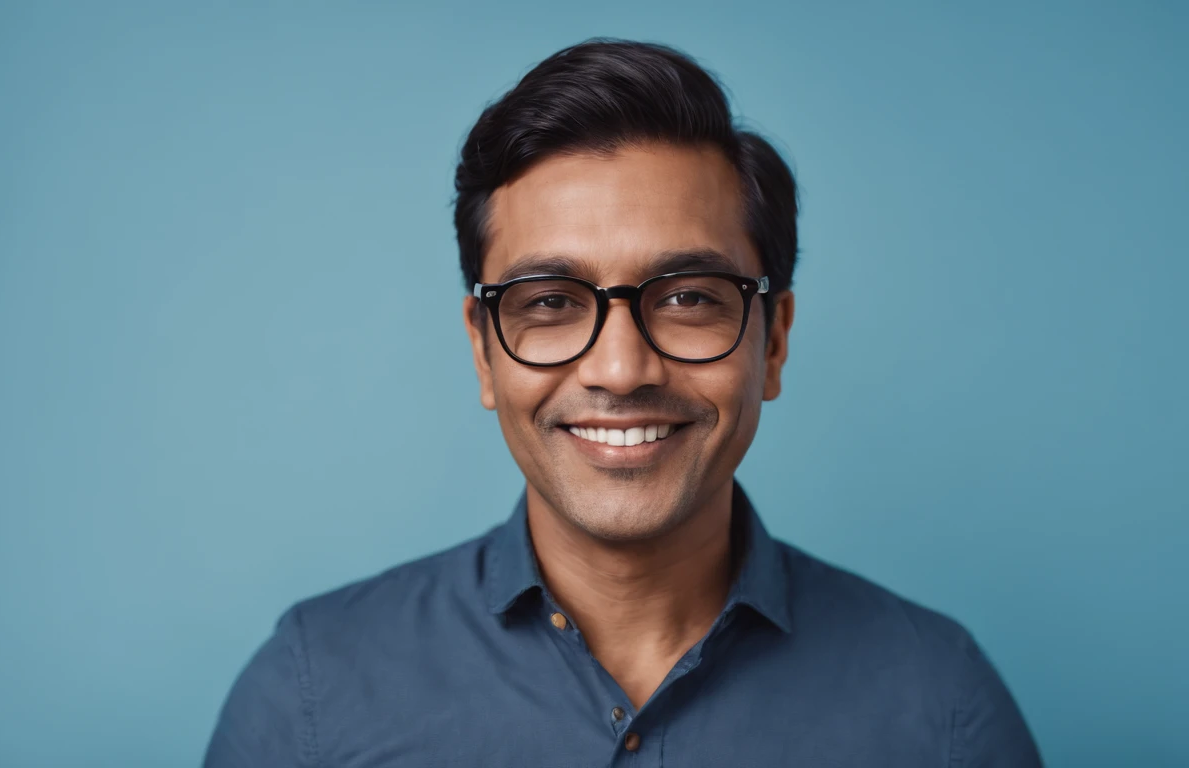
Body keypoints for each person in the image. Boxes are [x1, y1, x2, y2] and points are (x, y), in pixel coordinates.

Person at [203, 38, 1042, 767]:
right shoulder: (309, 700)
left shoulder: (942, 710)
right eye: (549, 302)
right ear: (483, 351)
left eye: (687, 298)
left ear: (773, 340)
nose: (619, 368)